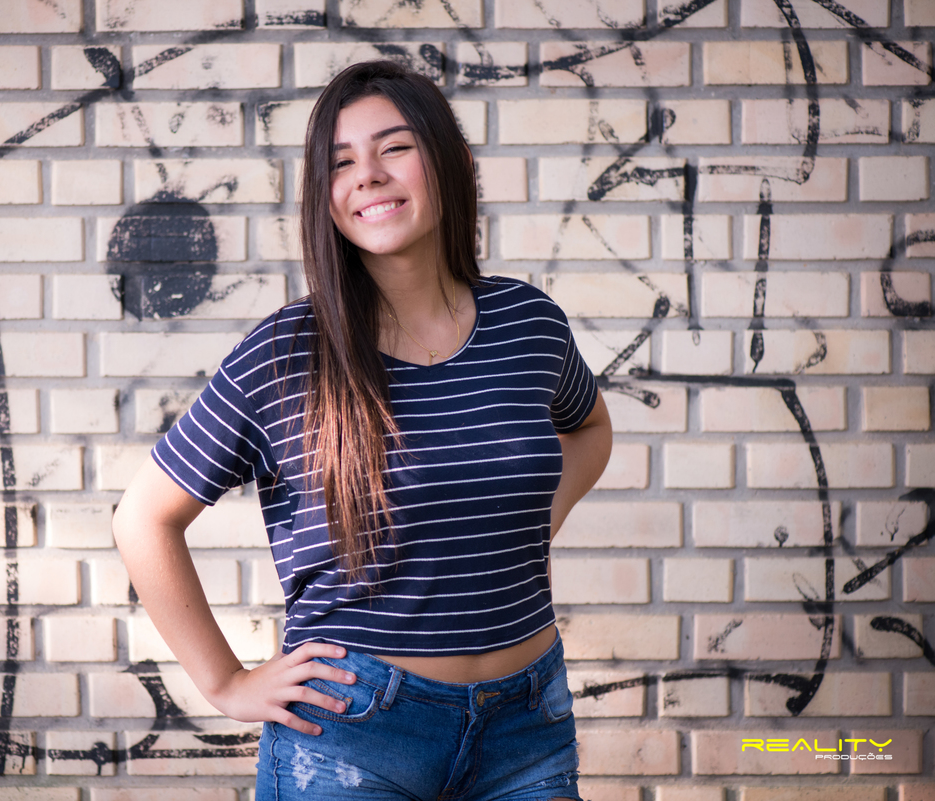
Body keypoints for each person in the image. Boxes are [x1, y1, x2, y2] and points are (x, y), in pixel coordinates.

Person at [112, 60, 612, 801]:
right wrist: (225, 682)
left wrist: (538, 518)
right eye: (341, 162)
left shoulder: (527, 323)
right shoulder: (286, 353)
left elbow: (590, 427)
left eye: (394, 148)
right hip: (351, 735)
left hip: (527, 724)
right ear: (325, 195)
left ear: (450, 160)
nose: (368, 175)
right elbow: (143, 518)